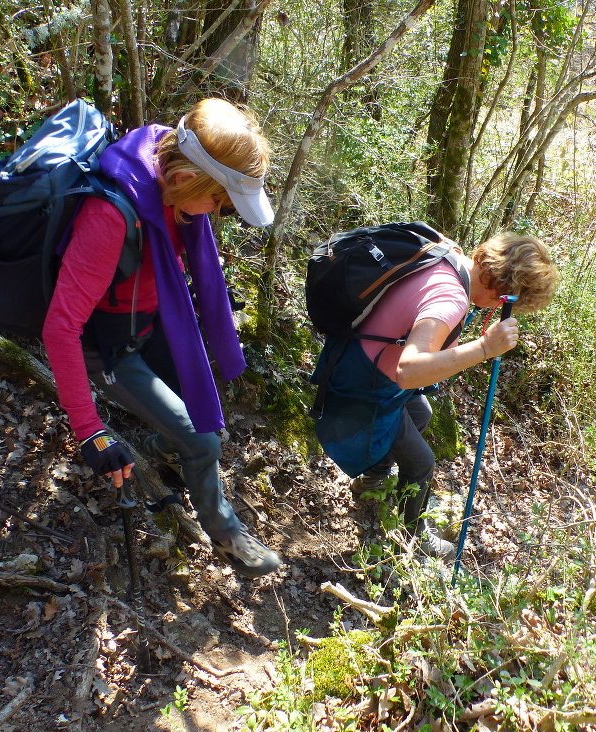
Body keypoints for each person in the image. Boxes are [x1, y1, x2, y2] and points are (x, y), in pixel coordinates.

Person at [42, 98, 281, 578]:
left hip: (151, 321)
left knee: (210, 421)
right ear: (181, 181)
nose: (217, 215)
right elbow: (60, 327)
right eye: (218, 202)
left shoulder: (168, 168)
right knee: (206, 444)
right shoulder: (111, 216)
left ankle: (161, 446)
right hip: (106, 347)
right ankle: (224, 528)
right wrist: (89, 430)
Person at [313, 231, 560, 558]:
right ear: (501, 289)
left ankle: (372, 479)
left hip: (354, 357)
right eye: (510, 300)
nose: (505, 307)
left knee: (422, 413)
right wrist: (486, 347)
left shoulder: (446, 254)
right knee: (421, 463)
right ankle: (411, 533)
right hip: (365, 382)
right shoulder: (451, 299)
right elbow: (410, 370)